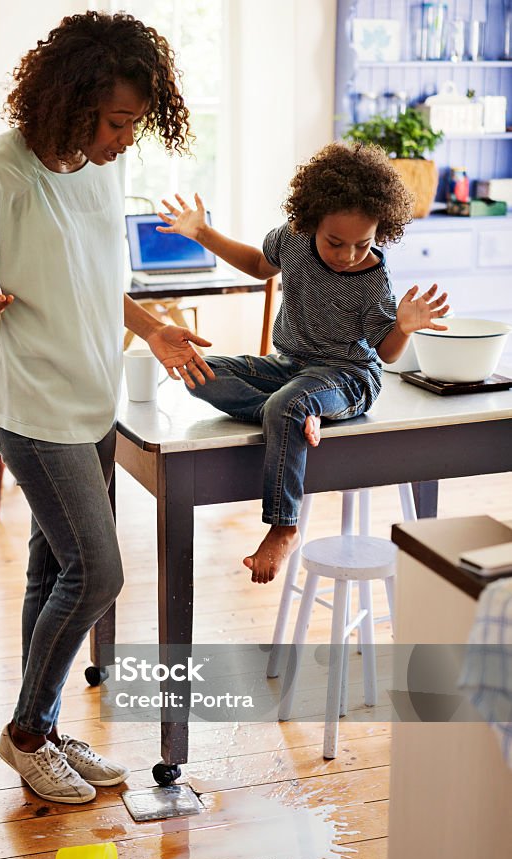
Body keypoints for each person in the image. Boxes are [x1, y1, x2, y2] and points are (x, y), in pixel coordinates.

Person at [0, 11, 214, 804]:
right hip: (30, 404)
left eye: (135, 121)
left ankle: (46, 725)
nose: (126, 136)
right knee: (96, 574)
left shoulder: (100, 170)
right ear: (70, 100)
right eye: (116, 120)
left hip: (94, 396)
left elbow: (99, 282)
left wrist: (154, 330)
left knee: (52, 570)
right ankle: (27, 733)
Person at [158, 141, 449, 584]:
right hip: (290, 366)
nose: (349, 254)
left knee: (287, 404)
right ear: (310, 221)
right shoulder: (292, 238)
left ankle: (283, 525)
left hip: (349, 376)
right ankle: (294, 414)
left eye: (362, 243)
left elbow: (386, 354)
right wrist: (202, 233)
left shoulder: (373, 280)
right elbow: (258, 265)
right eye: (336, 242)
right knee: (199, 373)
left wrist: (405, 327)